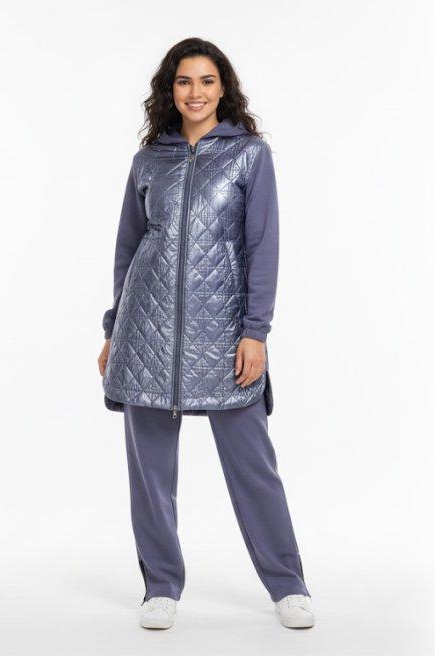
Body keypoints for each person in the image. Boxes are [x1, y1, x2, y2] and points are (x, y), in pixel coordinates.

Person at [97, 37, 315, 630]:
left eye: (207, 81)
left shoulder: (249, 156)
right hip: (145, 330)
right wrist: (115, 328)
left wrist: (256, 332)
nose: (196, 92)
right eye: (184, 81)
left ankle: (288, 584)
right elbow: (128, 249)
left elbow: (262, 247)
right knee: (150, 473)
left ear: (224, 89)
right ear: (170, 90)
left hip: (225, 334)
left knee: (253, 466)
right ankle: (160, 586)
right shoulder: (149, 161)